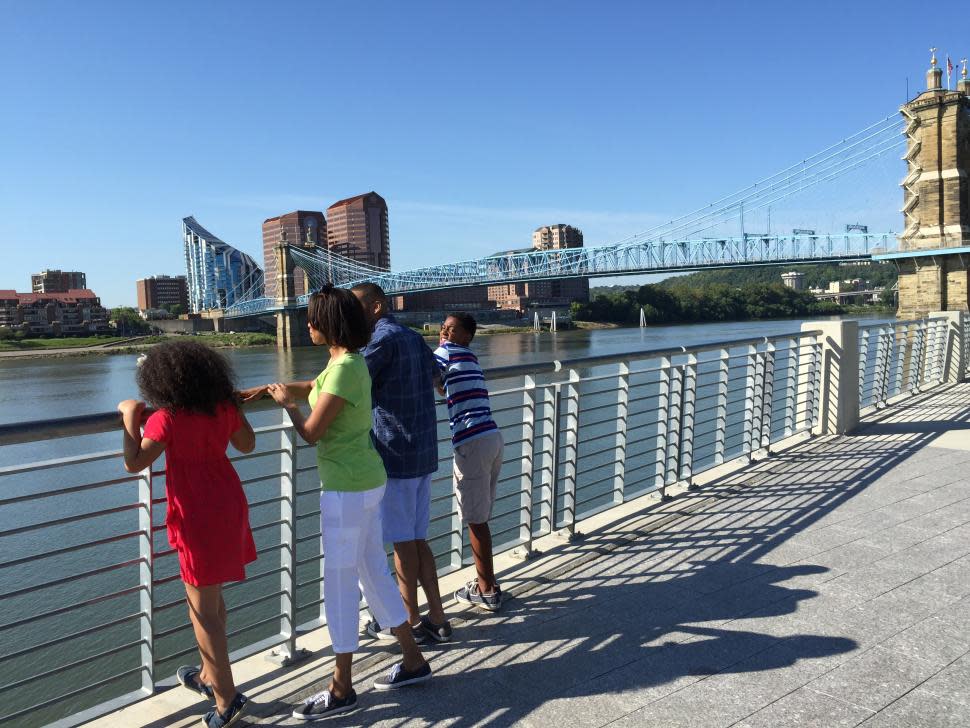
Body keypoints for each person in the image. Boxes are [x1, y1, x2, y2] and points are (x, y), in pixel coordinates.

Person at [260, 286, 431, 721]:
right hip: (365, 481)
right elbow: (316, 389)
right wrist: (268, 389)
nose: (308, 325)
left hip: (346, 490)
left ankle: (341, 688)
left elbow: (312, 433)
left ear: (330, 324)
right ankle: (413, 660)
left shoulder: (344, 368)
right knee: (373, 571)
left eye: (314, 319)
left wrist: (286, 406)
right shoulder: (344, 362)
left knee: (337, 585)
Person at [117, 340, 256, 728]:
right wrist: (236, 407)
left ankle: (226, 699)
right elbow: (246, 444)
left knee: (202, 610)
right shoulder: (223, 408)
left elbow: (135, 462)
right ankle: (208, 675)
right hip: (228, 503)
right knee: (210, 598)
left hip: (196, 513)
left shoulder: (167, 417)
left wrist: (130, 417)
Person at [350, 282, 451, 643]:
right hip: (424, 452)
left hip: (395, 454)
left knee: (401, 545)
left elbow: (347, 384)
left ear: (376, 307)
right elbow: (440, 379)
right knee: (417, 540)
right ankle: (436, 617)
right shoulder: (411, 336)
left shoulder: (381, 341)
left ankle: (409, 621)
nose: (350, 315)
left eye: (356, 307)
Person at [434, 313, 504, 612]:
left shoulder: (444, 352)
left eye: (451, 329)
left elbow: (423, 376)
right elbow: (444, 386)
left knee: (476, 521)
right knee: (481, 518)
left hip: (471, 441)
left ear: (466, 335)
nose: (445, 332)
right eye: (443, 328)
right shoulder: (470, 357)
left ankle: (486, 590)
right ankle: (486, 583)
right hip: (491, 437)